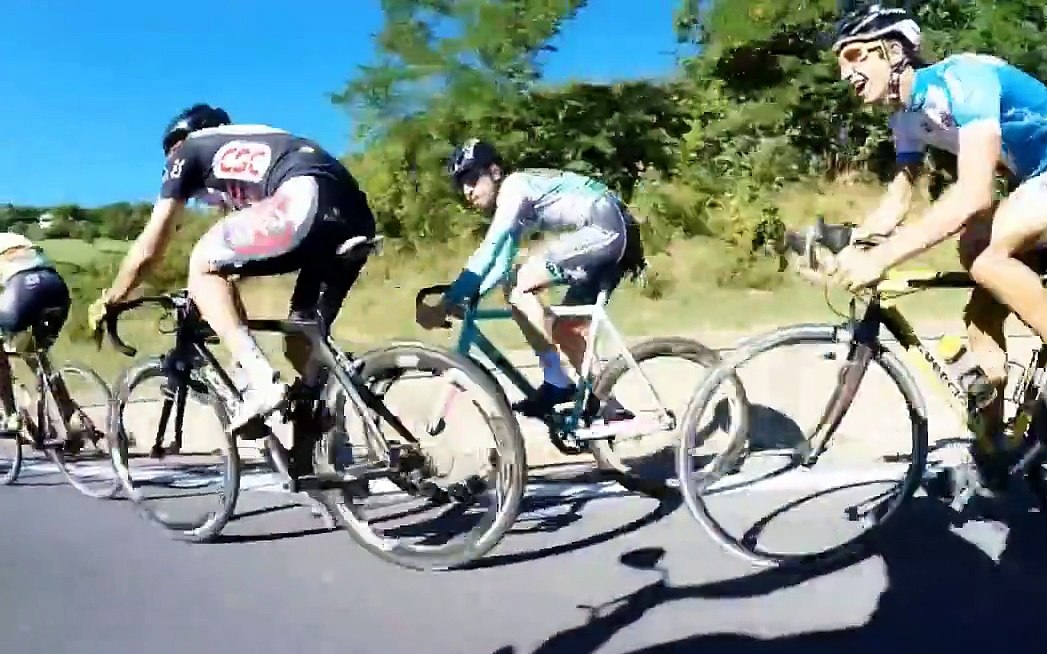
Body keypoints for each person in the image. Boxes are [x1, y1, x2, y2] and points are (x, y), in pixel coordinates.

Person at [821, 2, 1047, 447]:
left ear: (892, 49)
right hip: (1034, 181)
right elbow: (896, 203)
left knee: (985, 258)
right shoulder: (904, 118)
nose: (846, 73)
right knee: (979, 317)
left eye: (855, 55)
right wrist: (855, 243)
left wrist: (884, 256)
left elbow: (975, 193)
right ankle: (993, 445)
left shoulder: (963, 79)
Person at [89, 104, 377, 433]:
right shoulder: (253, 145)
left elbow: (150, 246)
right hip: (354, 212)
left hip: (303, 195)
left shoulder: (189, 149)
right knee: (303, 338)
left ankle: (261, 382)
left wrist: (113, 297)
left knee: (201, 264)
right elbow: (249, 255)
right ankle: (336, 438)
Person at [420, 139, 645, 419]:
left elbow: (491, 248)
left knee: (520, 282)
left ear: (494, 172)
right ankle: (609, 405)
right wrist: (471, 294)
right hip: (610, 230)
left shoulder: (515, 188)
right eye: (460, 185)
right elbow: (501, 261)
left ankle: (556, 381)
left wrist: (449, 299)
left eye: (472, 178)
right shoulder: (520, 203)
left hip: (604, 227)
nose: (467, 190)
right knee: (565, 330)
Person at [0, 231, 73, 436]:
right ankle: (71, 414)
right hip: (54, 286)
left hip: (23, 289)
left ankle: (11, 414)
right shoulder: (13, 237)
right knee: (34, 351)